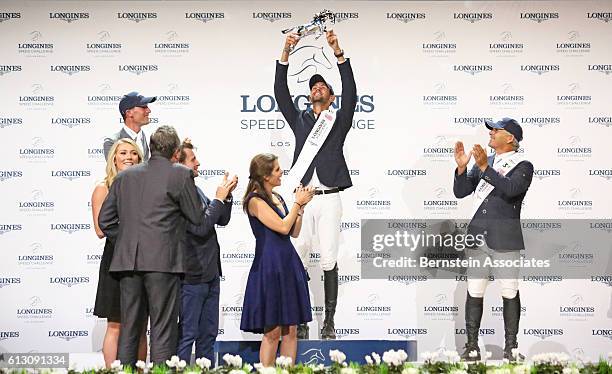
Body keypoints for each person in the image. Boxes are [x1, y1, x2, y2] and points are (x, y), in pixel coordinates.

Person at [274, 29, 357, 340]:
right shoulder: (300, 121)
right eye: (313, 87)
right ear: (308, 96)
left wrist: (339, 54)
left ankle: (330, 323)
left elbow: (351, 91)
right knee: (300, 258)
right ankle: (303, 320)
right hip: (303, 198)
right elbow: (280, 91)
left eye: (322, 86)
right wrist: (285, 52)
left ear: (330, 97)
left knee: (328, 259)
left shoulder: (339, 121)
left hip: (331, 197)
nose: (317, 88)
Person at [98, 126, 203, 367]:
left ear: (151, 147)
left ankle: (124, 372)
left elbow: (105, 221)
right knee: (162, 328)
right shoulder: (180, 174)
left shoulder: (124, 176)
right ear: (176, 152)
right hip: (163, 263)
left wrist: (125, 239)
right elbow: (197, 217)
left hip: (128, 263)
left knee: (130, 327)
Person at [453, 118, 533, 361]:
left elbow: (510, 189)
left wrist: (485, 168)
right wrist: (461, 168)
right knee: (474, 290)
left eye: (496, 130)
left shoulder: (524, 165)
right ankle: (472, 346)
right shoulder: (483, 162)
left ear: (510, 138)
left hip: (505, 238)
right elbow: (460, 192)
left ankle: (511, 348)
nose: (491, 132)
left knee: (509, 291)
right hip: (477, 237)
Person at [240, 153, 315, 366]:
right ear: (265, 175)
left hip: (288, 265)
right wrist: (296, 204)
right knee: (272, 331)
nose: (281, 172)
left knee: (291, 330)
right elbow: (281, 227)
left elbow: (293, 232)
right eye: (277, 169)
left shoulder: (279, 197)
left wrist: (299, 208)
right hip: (270, 267)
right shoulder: (255, 200)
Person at [176, 139, 238, 364]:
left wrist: (227, 196)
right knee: (188, 335)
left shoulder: (196, 189)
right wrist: (218, 198)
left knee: (208, 335)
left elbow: (221, 219)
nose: (198, 163)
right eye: (193, 160)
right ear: (179, 163)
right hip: (192, 276)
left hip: (210, 274)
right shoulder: (180, 194)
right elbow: (200, 228)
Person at [91, 138, 147, 367]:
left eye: (133, 153)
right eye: (123, 152)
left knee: (142, 325)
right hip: (115, 262)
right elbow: (100, 229)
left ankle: (141, 371)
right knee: (116, 323)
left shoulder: (146, 187)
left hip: (143, 261)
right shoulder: (103, 188)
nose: (129, 157)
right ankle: (111, 371)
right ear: (113, 158)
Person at [103, 91, 156, 161]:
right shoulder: (112, 142)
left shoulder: (145, 138)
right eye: (143, 107)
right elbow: (115, 170)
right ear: (129, 113)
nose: (149, 110)